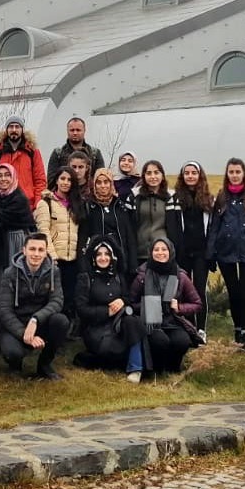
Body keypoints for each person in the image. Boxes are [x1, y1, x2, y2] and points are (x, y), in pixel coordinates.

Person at [209, 158, 245, 348]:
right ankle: (237, 330)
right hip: (226, 252)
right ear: (227, 174)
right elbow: (214, 226)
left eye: (237, 172)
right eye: (231, 172)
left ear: (243, 173)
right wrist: (211, 252)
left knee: (243, 293)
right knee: (233, 293)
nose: (234, 175)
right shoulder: (222, 197)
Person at [0, 234, 70, 380]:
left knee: (61, 321)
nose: (36, 254)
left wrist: (35, 319)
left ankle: (44, 365)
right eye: (32, 249)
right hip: (16, 325)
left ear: (45, 252)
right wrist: (24, 333)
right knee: (12, 352)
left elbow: (57, 301)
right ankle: (15, 366)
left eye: (40, 250)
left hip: (39, 322)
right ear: (24, 250)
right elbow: (4, 310)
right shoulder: (9, 273)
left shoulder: (54, 272)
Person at [130, 239, 203, 376]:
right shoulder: (143, 275)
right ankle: (157, 369)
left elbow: (197, 304)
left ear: (170, 252)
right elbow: (131, 303)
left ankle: (173, 367)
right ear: (150, 253)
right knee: (160, 341)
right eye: (156, 249)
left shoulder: (180, 276)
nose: (160, 253)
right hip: (150, 323)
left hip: (172, 321)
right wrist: (148, 305)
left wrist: (180, 307)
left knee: (182, 341)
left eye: (164, 249)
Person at [74, 240, 144, 381]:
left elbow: (128, 298)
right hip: (96, 329)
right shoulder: (85, 278)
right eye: (99, 254)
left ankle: (136, 368)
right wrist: (106, 311)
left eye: (107, 254)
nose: (103, 257)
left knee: (133, 322)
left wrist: (122, 301)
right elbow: (81, 310)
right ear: (93, 257)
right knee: (108, 353)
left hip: (118, 325)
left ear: (112, 256)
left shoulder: (119, 276)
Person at [166, 162, 212, 340]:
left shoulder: (208, 199)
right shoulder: (175, 199)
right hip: (182, 253)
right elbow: (172, 228)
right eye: (187, 173)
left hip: (201, 254)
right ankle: (187, 326)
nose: (191, 176)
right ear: (182, 176)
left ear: (200, 176)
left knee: (199, 290)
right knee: (183, 291)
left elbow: (211, 227)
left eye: (194, 173)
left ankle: (201, 329)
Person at [35, 168, 82, 319]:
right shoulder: (45, 203)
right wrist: (52, 256)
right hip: (54, 259)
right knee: (54, 296)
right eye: (63, 179)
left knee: (70, 296)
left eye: (69, 180)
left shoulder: (76, 204)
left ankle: (68, 330)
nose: (65, 183)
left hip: (73, 259)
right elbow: (43, 231)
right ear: (56, 180)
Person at [80, 168, 137, 273]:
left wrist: (133, 265)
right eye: (99, 182)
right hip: (97, 261)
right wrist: (83, 267)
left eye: (106, 182)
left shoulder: (120, 205)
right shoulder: (89, 206)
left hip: (120, 261)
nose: (103, 186)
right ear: (94, 185)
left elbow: (130, 237)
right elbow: (83, 237)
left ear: (111, 184)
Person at [0, 116, 45, 209]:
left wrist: (37, 203)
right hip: (4, 205)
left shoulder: (32, 152)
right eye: (11, 127)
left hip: (27, 205)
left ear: (22, 129)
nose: (14, 130)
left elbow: (40, 181)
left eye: (17, 127)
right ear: (6, 130)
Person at [127, 160, 171, 267]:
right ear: (144, 176)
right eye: (149, 173)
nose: (153, 176)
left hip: (162, 254)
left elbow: (175, 229)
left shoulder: (170, 198)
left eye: (156, 172)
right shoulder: (134, 197)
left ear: (162, 175)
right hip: (139, 254)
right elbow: (128, 227)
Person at [45, 116, 104, 184]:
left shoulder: (95, 154)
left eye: (78, 130)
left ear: (84, 131)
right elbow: (51, 180)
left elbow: (100, 178)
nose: (75, 133)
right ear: (67, 131)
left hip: (88, 193)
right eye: (72, 130)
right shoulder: (58, 153)